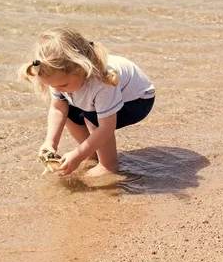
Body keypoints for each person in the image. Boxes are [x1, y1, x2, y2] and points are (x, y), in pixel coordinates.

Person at [18, 27, 155, 177]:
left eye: (63, 85)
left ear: (81, 69)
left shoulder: (102, 83)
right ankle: (93, 152)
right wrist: (50, 142)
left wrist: (77, 155)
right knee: (68, 111)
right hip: (107, 99)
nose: (59, 90)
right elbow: (58, 109)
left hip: (138, 100)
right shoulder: (58, 78)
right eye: (53, 86)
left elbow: (106, 127)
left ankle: (108, 164)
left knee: (92, 117)